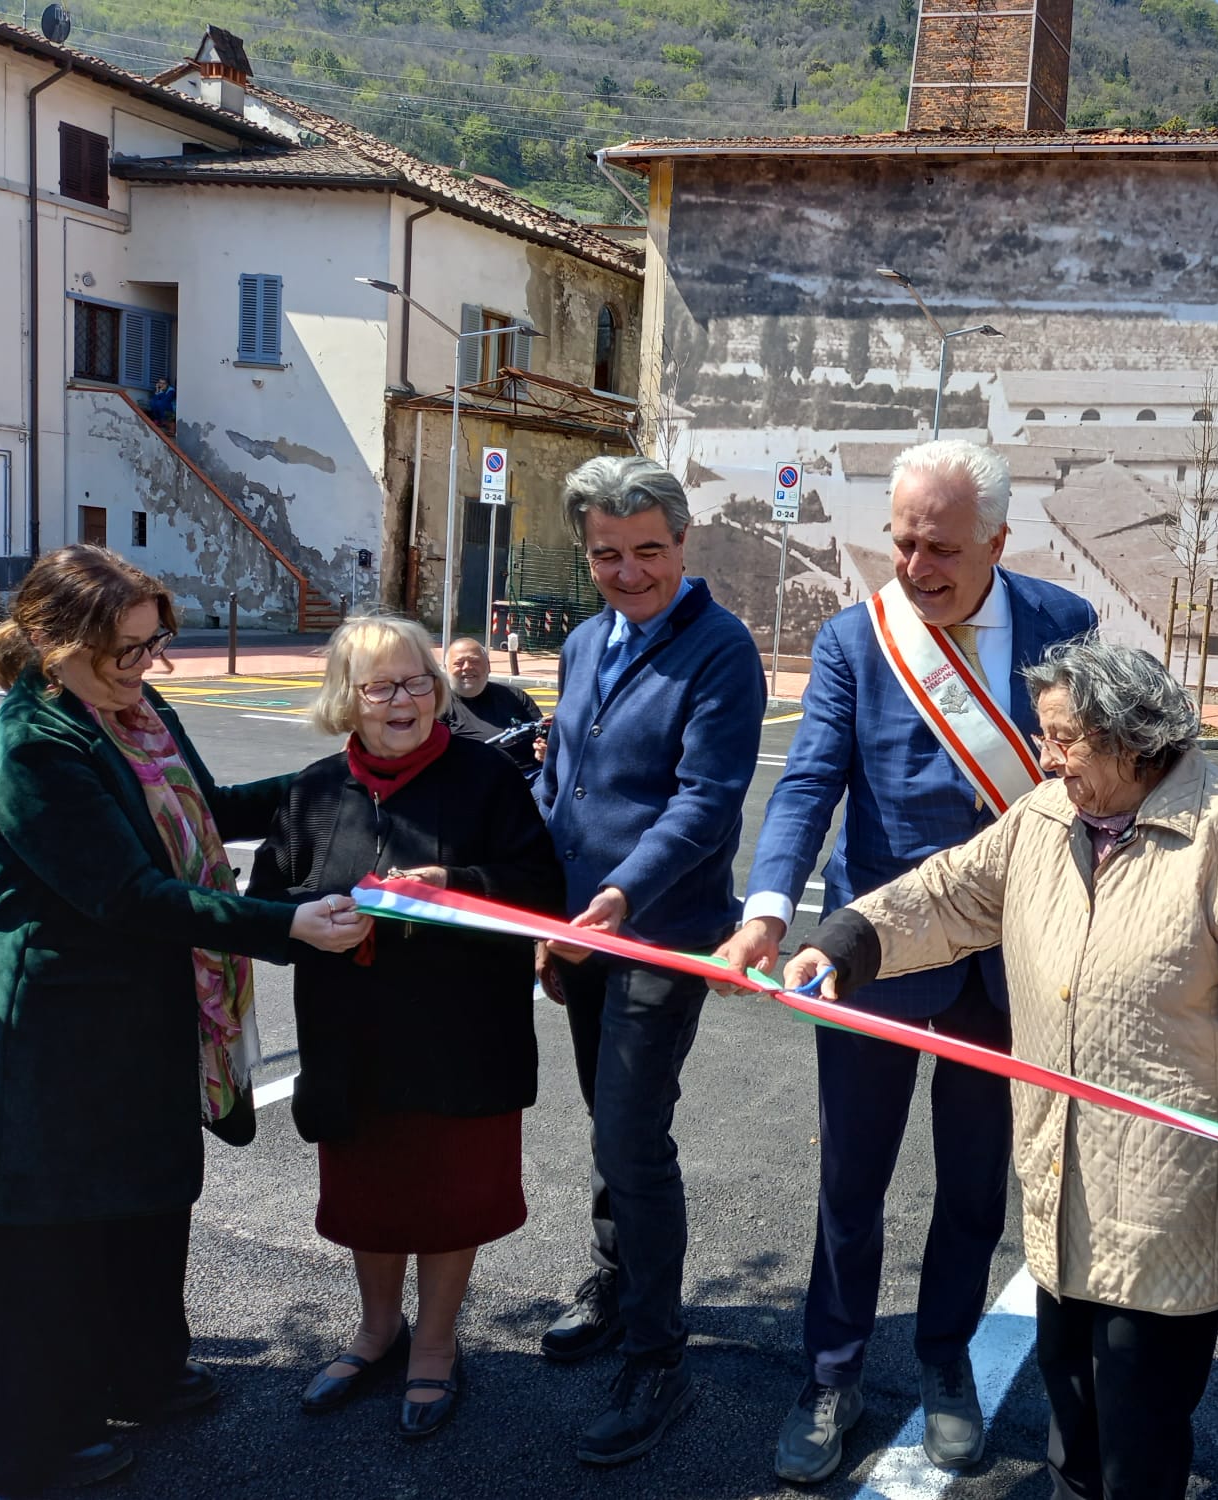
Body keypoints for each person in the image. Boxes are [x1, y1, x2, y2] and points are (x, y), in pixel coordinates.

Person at [782, 637, 1218, 1500]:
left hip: (1167, 1192)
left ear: (1132, 739)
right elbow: (950, 894)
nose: (1044, 755)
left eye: (1065, 739)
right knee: (1070, 1413)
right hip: (1065, 1178)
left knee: (1137, 1426)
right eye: (1044, 735)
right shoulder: (1044, 818)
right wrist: (847, 940)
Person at [711, 438, 1097, 1483]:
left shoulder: (1065, 626)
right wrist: (763, 907)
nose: (915, 569)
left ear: (998, 542)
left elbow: (1098, 786)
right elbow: (808, 782)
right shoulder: (856, 637)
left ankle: (943, 1365)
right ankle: (829, 1372)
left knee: (975, 1183)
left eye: (941, 550)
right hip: (872, 943)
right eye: (901, 543)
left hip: (1011, 954)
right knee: (852, 1177)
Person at [0, 545, 369, 1494]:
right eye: (123, 652)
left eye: (153, 646)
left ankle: (138, 1373)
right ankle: (34, 1445)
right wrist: (290, 926)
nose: (145, 668)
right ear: (54, 646)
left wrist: (339, 773)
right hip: (56, 1028)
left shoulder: (134, 715)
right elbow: (132, 897)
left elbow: (209, 813)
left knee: (146, 1200)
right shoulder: (35, 746)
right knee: (49, 1236)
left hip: (146, 1011)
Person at [248, 614, 563, 1439]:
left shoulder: (485, 781)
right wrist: (306, 919)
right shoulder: (315, 790)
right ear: (346, 699)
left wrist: (454, 884)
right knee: (370, 1196)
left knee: (451, 1198)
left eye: (418, 682)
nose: (405, 700)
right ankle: (376, 1330)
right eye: (381, 686)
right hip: (352, 1043)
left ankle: (434, 1343)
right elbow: (265, 903)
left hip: (461, 1039)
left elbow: (541, 888)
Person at [533, 455, 767, 1467]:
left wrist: (620, 895)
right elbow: (558, 785)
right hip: (580, 928)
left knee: (632, 1136)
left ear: (681, 542)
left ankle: (658, 1357)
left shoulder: (720, 650)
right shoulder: (584, 641)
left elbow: (705, 801)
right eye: (605, 554)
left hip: (660, 929)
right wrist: (542, 911)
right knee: (605, 1123)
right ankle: (615, 1280)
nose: (627, 571)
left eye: (646, 552)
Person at [442, 635, 545, 774]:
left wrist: (544, 748)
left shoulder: (515, 695)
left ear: (488, 666)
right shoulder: (438, 704)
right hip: (473, 780)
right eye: (459, 663)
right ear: (445, 668)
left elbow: (542, 732)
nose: (467, 667)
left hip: (531, 776)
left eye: (475, 661)